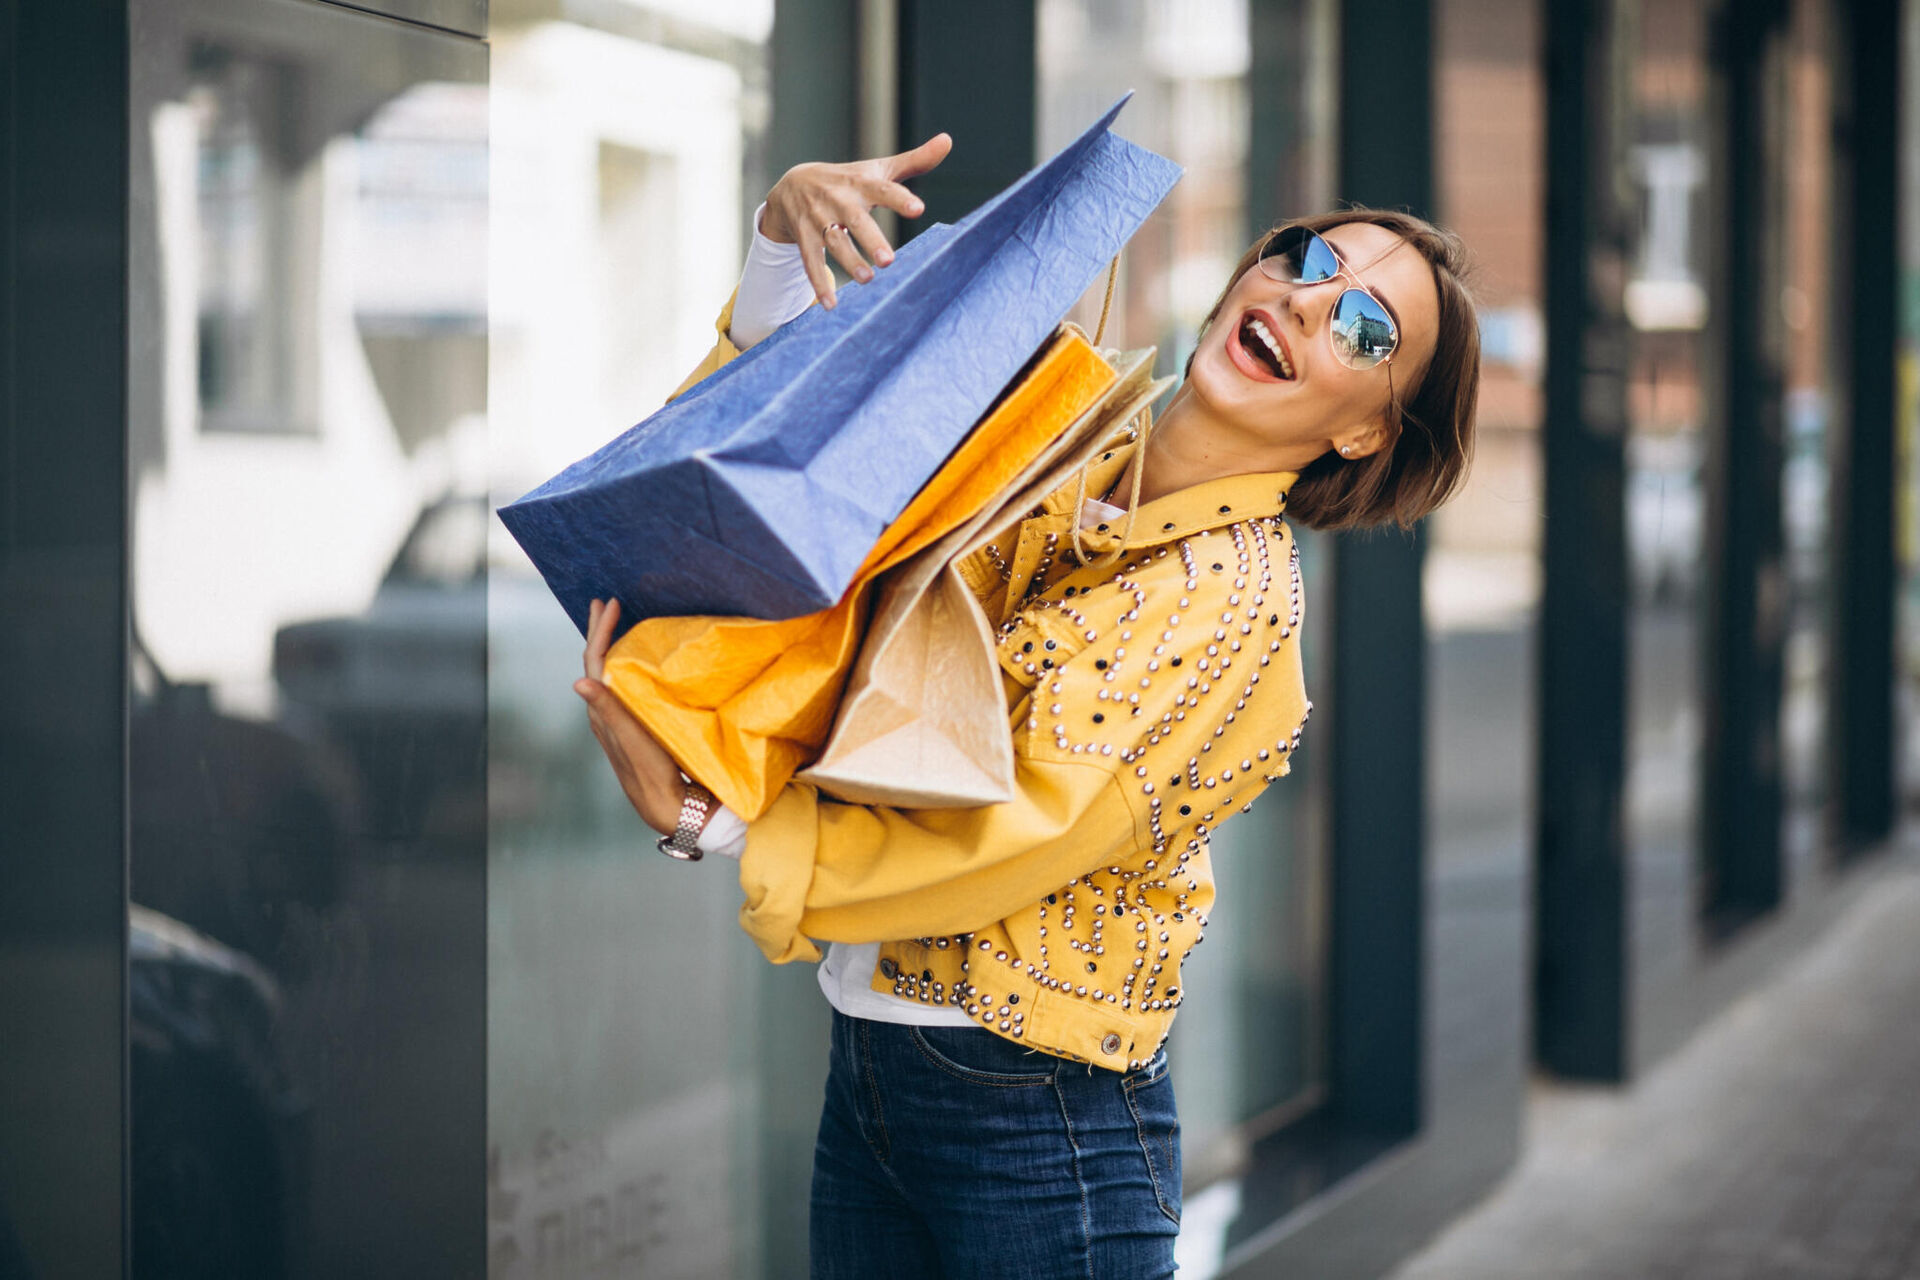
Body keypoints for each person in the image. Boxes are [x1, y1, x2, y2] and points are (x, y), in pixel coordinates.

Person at [571, 132, 1480, 1279]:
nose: (1310, 304)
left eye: (1364, 329)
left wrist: (722, 823)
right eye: (1306, 261)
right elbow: (811, 466)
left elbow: (1022, 828)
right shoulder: (1062, 423)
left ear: (1364, 431)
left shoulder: (1232, 595)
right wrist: (776, 252)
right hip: (873, 1075)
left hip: (1043, 1130)